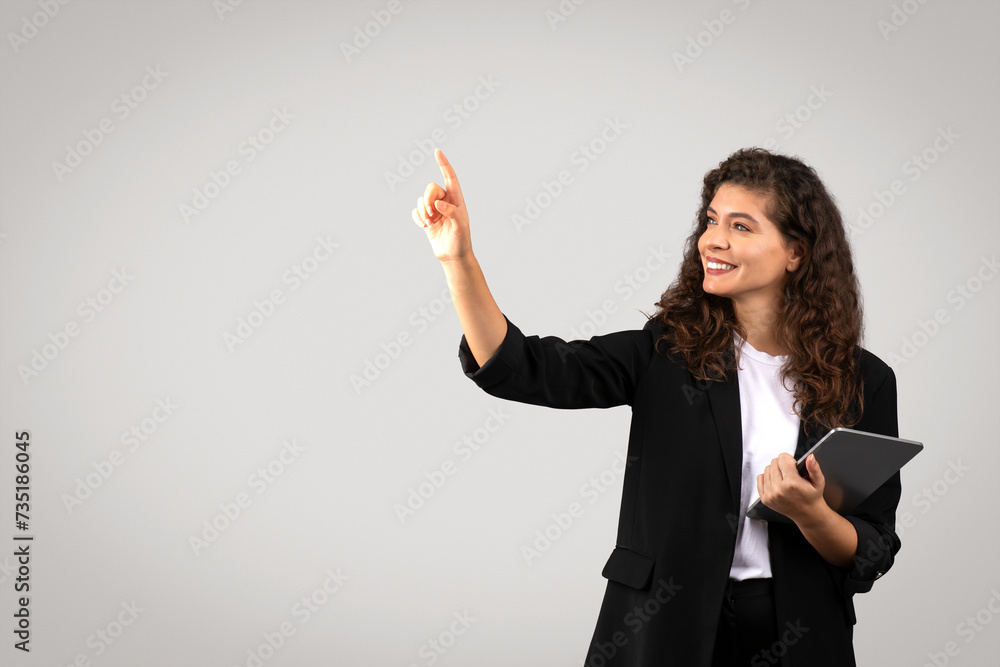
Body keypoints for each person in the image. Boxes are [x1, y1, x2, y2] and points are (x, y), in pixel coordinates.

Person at [412, 146, 902, 666]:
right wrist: (458, 260)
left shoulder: (864, 381)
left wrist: (811, 514)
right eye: (712, 220)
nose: (713, 239)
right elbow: (523, 366)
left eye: (741, 226)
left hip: (797, 634)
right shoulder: (667, 351)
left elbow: (871, 548)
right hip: (664, 627)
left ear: (796, 252)